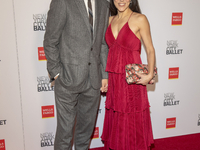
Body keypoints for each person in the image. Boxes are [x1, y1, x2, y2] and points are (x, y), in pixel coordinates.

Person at [43, 0, 109, 150]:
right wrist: (57, 73)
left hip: (94, 79)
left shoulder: (104, 5)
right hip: (67, 79)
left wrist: (104, 74)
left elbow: (103, 43)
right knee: (65, 134)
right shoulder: (62, 2)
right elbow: (50, 40)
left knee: (85, 132)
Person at [101, 0, 155, 149]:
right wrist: (104, 77)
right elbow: (105, 52)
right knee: (117, 118)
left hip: (131, 81)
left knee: (132, 120)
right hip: (114, 80)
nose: (121, 0)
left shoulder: (140, 19)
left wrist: (150, 74)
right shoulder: (109, 20)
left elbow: (150, 49)